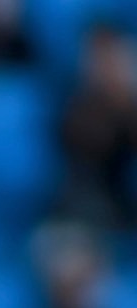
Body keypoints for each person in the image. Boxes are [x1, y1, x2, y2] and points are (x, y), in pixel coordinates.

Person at [58, 24, 137, 231]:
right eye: (100, 59)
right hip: (94, 207)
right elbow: (93, 144)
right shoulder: (76, 108)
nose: (108, 67)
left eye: (114, 58)